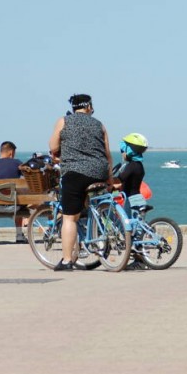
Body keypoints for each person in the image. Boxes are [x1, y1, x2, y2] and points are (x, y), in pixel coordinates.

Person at [48, 93, 113, 271]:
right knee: (88, 204)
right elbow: (107, 155)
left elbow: (53, 147)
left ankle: (68, 260)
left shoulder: (64, 121)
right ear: (89, 107)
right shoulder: (100, 124)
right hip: (99, 171)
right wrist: (109, 179)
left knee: (70, 217)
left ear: (73, 108)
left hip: (75, 172)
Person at [0, 141, 27, 245]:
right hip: (15, 207)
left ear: (1, 152)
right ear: (11, 153)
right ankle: (19, 235)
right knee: (18, 198)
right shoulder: (18, 163)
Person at [113, 133, 149, 212]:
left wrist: (108, 183)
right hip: (138, 199)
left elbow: (119, 181)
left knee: (127, 222)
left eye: (123, 151)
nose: (122, 154)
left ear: (129, 151)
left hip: (131, 201)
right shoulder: (139, 165)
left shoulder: (131, 166)